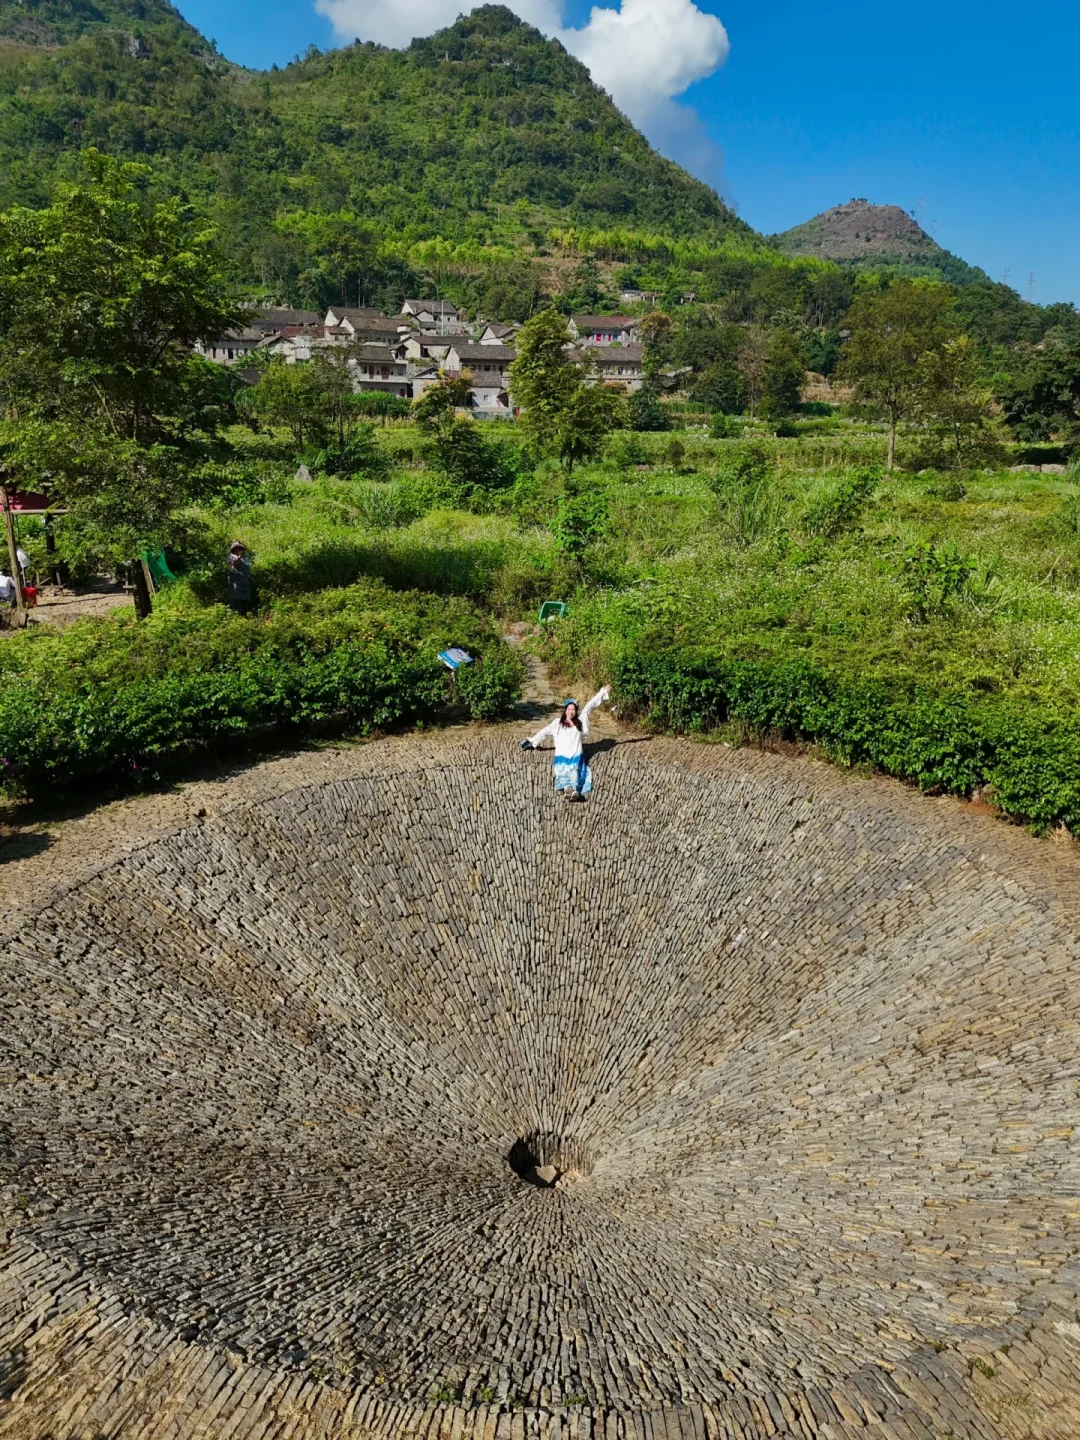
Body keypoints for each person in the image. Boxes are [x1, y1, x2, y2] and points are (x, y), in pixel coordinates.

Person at [520, 686, 612, 802]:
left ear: (576, 710)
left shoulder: (580, 721)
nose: (570, 712)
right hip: (561, 757)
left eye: (573, 709)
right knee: (562, 772)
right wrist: (532, 741)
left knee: (574, 772)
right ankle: (569, 789)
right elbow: (544, 732)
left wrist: (602, 692)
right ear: (565, 710)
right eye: (568, 709)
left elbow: (590, 706)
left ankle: (573, 791)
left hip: (576, 756)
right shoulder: (557, 723)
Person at [226, 540, 252, 614]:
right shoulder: (231, 557)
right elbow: (236, 565)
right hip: (236, 582)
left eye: (240, 548)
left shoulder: (245, 559)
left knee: (245, 602)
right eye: (236, 548)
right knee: (236, 600)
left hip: (244, 583)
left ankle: (244, 616)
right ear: (234, 549)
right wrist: (239, 557)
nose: (238, 550)